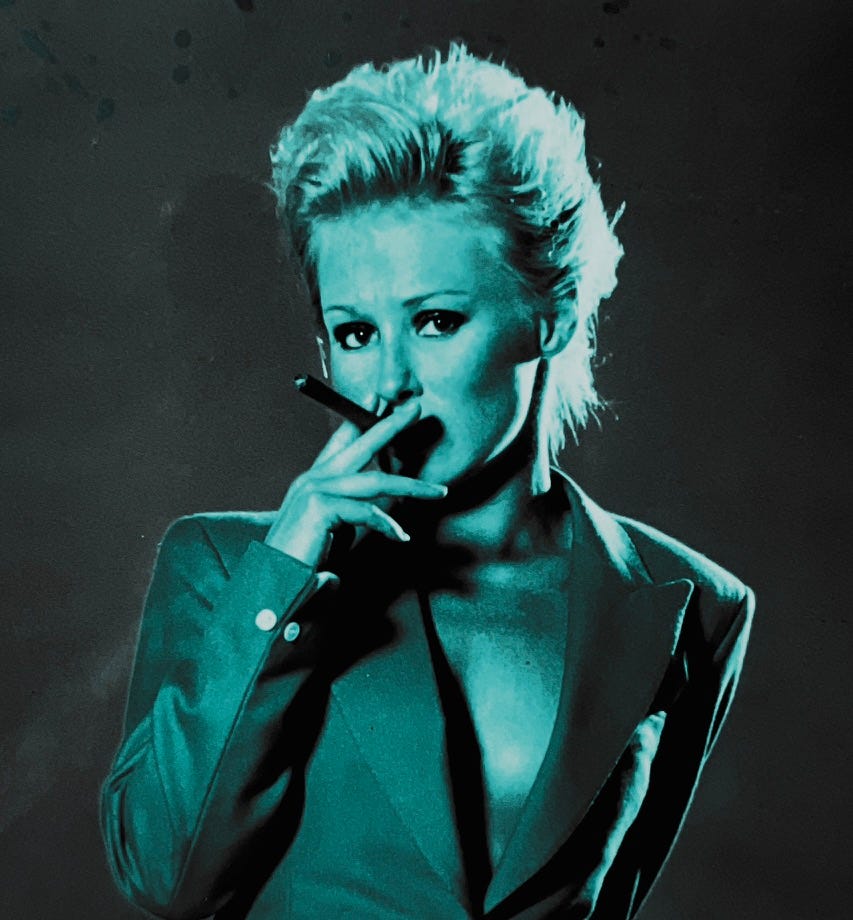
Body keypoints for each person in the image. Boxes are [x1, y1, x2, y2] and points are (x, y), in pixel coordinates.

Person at [101, 44, 754, 919]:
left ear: (551, 315)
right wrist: (284, 573)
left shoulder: (691, 604)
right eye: (355, 333)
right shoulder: (227, 568)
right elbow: (166, 881)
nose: (387, 384)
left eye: (436, 321)